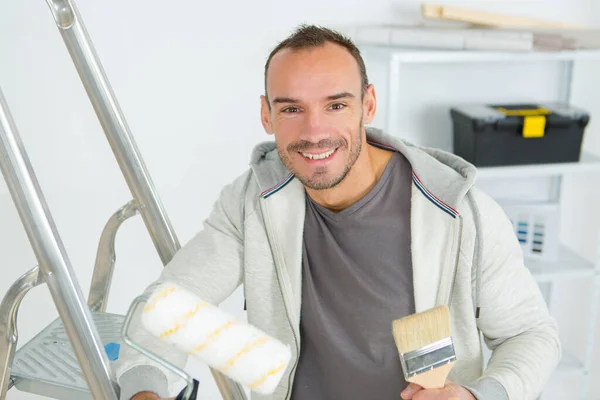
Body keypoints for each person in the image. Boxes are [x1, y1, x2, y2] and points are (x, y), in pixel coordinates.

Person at [116, 25, 561, 400]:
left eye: (335, 105)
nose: (314, 132)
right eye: (292, 109)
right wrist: (145, 390)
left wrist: (478, 395)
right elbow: (167, 308)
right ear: (266, 115)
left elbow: (531, 336)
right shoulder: (252, 202)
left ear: (367, 105)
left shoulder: (461, 214)